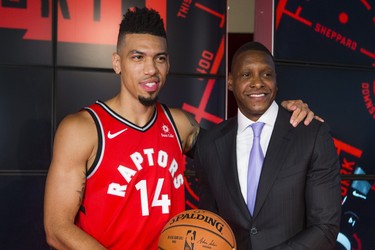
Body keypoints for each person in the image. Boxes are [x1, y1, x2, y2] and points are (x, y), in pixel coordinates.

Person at [43, 7, 318, 250]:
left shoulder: (180, 125)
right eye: (138, 58)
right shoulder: (84, 129)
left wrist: (283, 115)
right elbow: (57, 229)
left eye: (159, 58)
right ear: (118, 63)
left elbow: (241, 150)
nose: (151, 69)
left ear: (168, 63)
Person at [194, 41, 342, 250]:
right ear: (230, 81)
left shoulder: (312, 135)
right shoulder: (208, 145)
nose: (257, 83)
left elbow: (325, 227)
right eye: (246, 74)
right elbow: (210, 228)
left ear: (276, 82)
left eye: (267, 75)